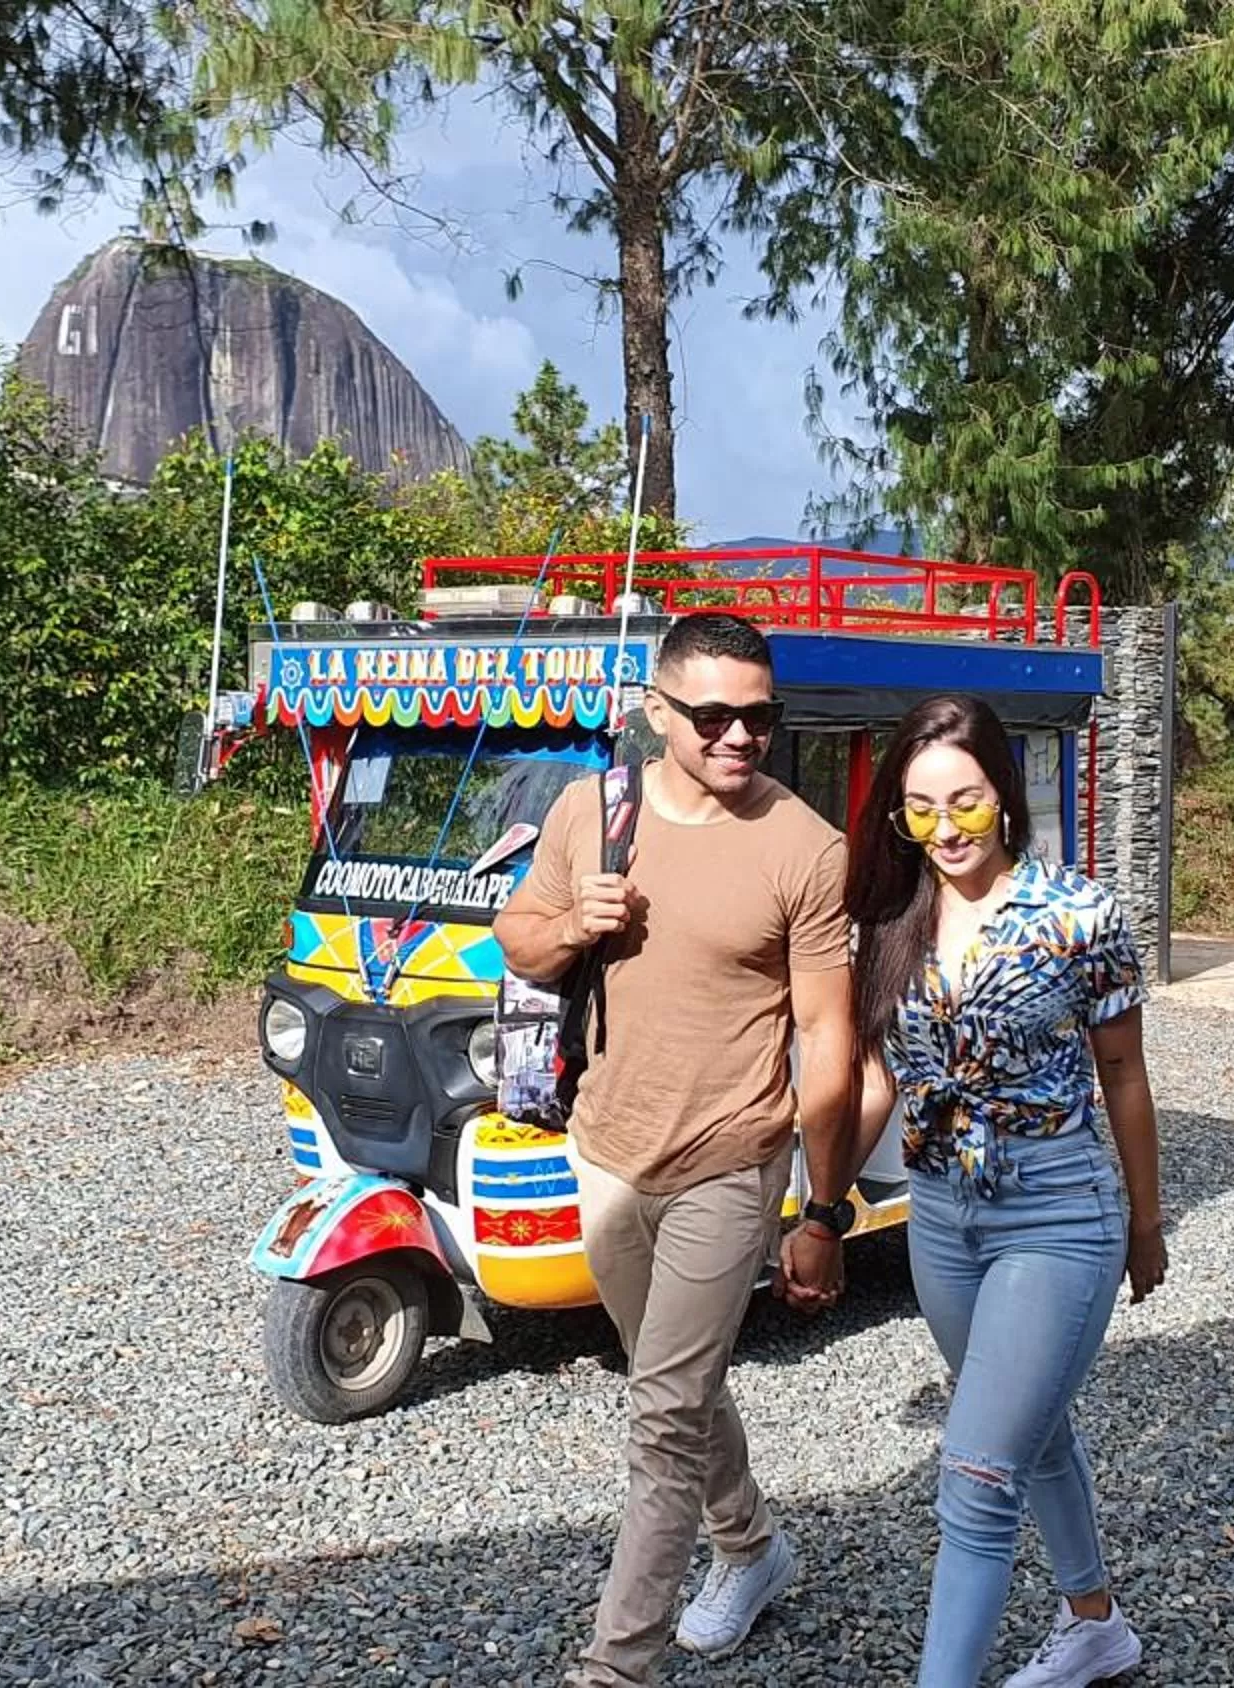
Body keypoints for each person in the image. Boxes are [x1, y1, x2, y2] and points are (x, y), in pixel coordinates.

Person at [494, 610, 859, 1688]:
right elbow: (519, 934)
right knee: (677, 1379)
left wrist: (821, 1210)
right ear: (658, 714)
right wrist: (577, 925)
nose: (742, 736)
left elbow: (829, 1034)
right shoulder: (589, 811)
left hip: (729, 1158)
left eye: (760, 715)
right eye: (714, 716)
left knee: (660, 1414)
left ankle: (618, 1663)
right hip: (603, 1151)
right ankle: (750, 1545)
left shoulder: (807, 845)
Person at [781, 691, 1168, 1688]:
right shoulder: (891, 921)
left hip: (1059, 1215)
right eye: (920, 807)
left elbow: (1122, 1071)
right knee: (1027, 1427)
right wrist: (823, 1211)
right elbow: (877, 1074)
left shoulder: (1081, 915)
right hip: (941, 1222)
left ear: (1005, 793)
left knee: (977, 1471)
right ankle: (1096, 1624)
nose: (945, 827)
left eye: (965, 801)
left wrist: (1146, 1220)